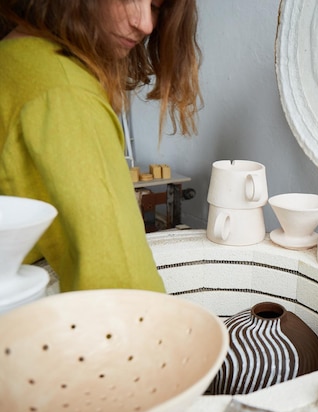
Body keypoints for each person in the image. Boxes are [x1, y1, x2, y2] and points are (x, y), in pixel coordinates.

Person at [0, 0, 201, 292]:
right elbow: (122, 281)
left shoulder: (12, 59)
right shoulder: (65, 94)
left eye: (155, 6)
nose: (145, 24)